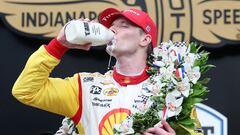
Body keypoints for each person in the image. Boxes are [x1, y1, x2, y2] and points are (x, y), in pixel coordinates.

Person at [12, 8, 202, 135]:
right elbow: (26, 91)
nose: (112, 29)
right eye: (111, 26)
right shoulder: (84, 87)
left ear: (145, 39)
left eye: (124, 26)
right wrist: (59, 45)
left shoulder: (172, 91)